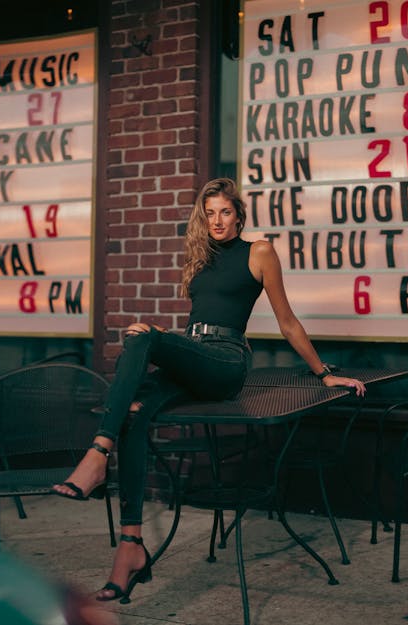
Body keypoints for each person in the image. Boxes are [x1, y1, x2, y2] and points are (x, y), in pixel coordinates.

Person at [52, 177, 366, 603]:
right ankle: (130, 548)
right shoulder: (197, 257)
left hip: (227, 361)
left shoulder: (258, 252)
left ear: (239, 215)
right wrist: (177, 350)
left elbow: (286, 320)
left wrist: (323, 372)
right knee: (134, 410)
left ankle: (96, 455)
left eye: (225, 212)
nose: (217, 220)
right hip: (196, 357)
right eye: (210, 213)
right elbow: (192, 326)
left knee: (143, 336)